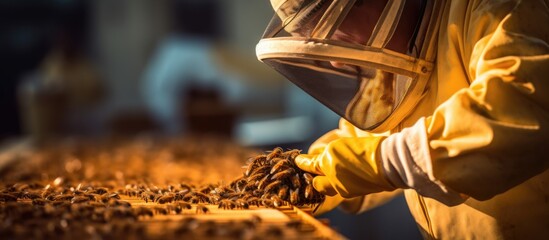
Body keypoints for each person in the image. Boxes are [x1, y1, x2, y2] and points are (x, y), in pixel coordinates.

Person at [256, 0, 549, 239]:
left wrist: (384, 163)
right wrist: (303, 177)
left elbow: (521, 110)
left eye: (332, 29)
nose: (336, 60)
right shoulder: (396, 61)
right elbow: (368, 143)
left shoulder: (496, 8)